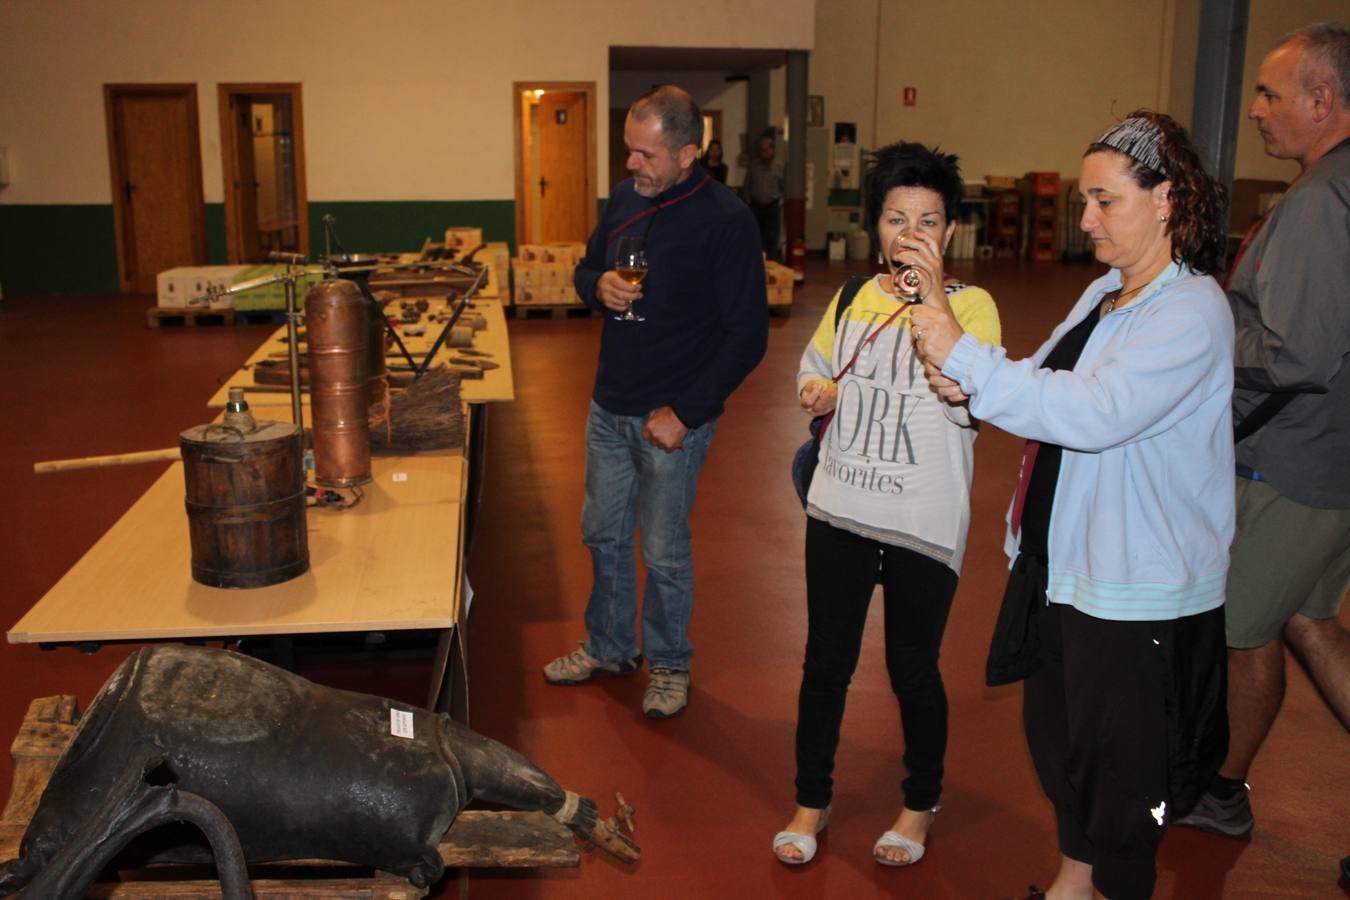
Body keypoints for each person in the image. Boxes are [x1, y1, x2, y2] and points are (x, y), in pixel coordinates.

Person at [910, 111, 1233, 899]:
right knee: (1063, 746)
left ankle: (1112, 885)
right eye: (1084, 200)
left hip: (1135, 584)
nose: (1085, 220)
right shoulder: (1103, 292)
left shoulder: (1192, 311)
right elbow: (1041, 382)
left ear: (1165, 200)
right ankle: (1072, 883)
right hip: (1064, 563)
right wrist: (967, 381)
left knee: (1123, 779)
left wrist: (966, 354)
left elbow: (1095, 412)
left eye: (1104, 201)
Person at [772, 142, 1000, 867]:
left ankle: (919, 803)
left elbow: (973, 394)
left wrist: (932, 298)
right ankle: (811, 799)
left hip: (922, 523)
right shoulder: (850, 298)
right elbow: (818, 366)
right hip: (840, 509)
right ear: (875, 226)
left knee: (913, 668)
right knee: (825, 664)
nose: (911, 234)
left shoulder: (973, 308)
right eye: (897, 218)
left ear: (950, 232)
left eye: (928, 221)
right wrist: (818, 390)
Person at [542, 85, 768, 720]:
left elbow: (746, 336)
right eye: (628, 152)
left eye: (645, 155)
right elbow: (585, 270)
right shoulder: (623, 200)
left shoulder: (725, 221)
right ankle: (611, 647)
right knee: (601, 534)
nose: (632, 166)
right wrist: (600, 286)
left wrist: (687, 413)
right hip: (608, 406)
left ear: (688, 154)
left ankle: (669, 664)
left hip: (670, 419)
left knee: (662, 550)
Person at [1176, 23, 1350, 840]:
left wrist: (1209, 341)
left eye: (1272, 95)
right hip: (1329, 458)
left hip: (1292, 463)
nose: (1255, 109)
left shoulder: (1320, 203)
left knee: (1241, 633)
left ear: (1323, 101)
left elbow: (1298, 352)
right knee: (1311, 625)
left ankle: (1220, 791)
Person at [744, 133, 784, 256]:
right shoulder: (753, 166)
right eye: (761, 150)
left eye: (766, 150)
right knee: (756, 237)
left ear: (772, 150)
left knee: (772, 238)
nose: (764, 153)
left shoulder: (779, 167)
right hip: (755, 207)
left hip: (772, 207)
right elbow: (746, 186)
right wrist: (748, 203)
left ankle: (771, 265)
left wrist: (780, 201)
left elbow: (784, 187)